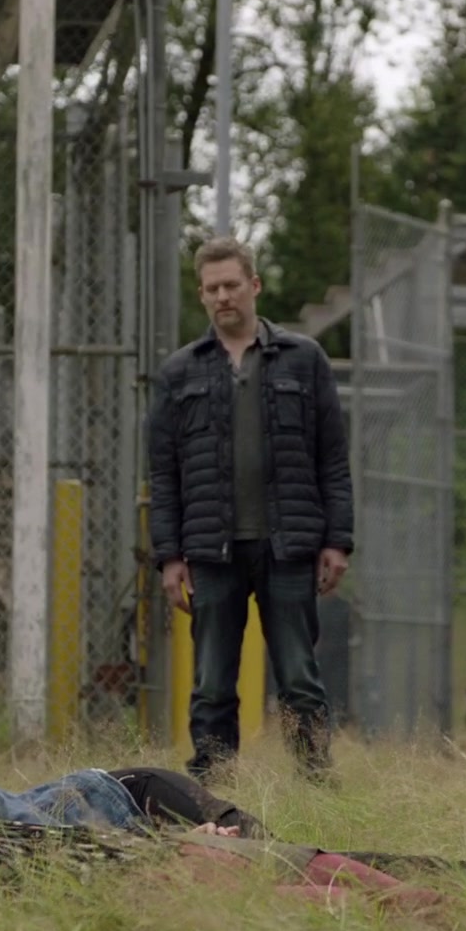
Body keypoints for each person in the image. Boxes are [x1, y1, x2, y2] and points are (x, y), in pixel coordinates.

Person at [148, 236, 352, 781]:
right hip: (211, 549)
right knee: (212, 680)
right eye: (212, 288)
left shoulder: (305, 360)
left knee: (299, 676)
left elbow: (332, 458)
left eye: (232, 285)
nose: (223, 297)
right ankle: (212, 787)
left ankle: (315, 779)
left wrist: (337, 540)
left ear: (254, 285)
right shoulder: (179, 373)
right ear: (201, 295)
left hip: (289, 544)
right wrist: (169, 555)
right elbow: (164, 473)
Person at [0, 758, 466, 909]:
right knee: (290, 871)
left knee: (292, 862)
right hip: (131, 844)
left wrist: (184, 839)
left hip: (137, 802)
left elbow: (53, 849)